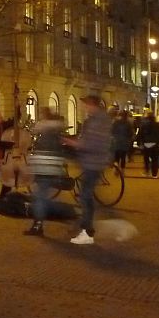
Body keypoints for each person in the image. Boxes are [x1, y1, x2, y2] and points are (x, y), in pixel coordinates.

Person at [62, 95, 111, 245]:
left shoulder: (97, 121)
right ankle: (85, 227)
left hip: (93, 162)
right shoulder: (96, 119)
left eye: (86, 105)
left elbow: (91, 143)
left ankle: (87, 231)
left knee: (85, 197)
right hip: (92, 162)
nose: (84, 107)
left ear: (93, 105)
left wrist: (73, 143)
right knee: (85, 196)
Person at [23, 108, 66, 237]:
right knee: (43, 195)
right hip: (52, 168)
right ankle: (41, 221)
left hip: (44, 169)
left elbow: (40, 151)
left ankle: (38, 225)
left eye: (41, 115)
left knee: (40, 198)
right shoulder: (57, 131)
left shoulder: (44, 131)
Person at [135, 110, 159, 177]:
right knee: (155, 159)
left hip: (146, 143)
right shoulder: (156, 124)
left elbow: (140, 134)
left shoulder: (144, 124)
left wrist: (138, 142)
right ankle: (154, 174)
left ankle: (147, 171)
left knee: (146, 159)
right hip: (154, 143)